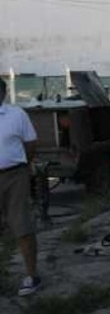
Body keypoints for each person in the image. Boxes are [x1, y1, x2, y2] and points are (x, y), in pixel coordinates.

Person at [0, 80, 42, 297]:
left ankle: (32, 275)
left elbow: (31, 144)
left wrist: (23, 166)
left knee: (22, 225)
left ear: (3, 93)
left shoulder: (17, 115)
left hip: (15, 175)